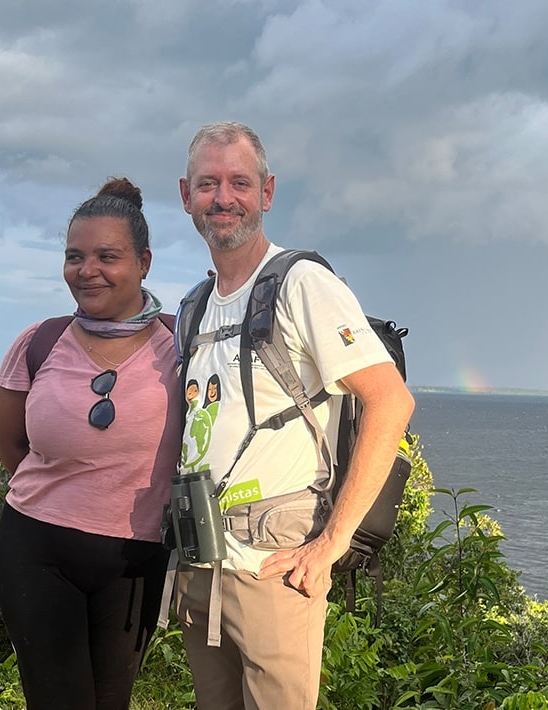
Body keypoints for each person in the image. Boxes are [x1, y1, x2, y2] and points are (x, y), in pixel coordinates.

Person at [172, 122, 415, 709]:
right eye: (208, 183)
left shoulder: (303, 284)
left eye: (239, 182)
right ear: (186, 196)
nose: (222, 198)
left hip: (275, 568)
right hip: (202, 564)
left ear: (267, 192)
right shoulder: (195, 306)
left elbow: (391, 401)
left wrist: (331, 544)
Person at [0, 177, 182, 710]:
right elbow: (9, 444)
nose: (87, 270)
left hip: (136, 559)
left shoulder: (182, 346)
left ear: (144, 262)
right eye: (75, 256)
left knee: (111, 701)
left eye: (107, 256)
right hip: (37, 550)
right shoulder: (40, 341)